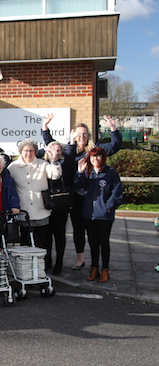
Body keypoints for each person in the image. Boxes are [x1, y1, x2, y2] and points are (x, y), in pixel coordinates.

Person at [42, 113, 122, 270]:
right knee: (71, 228)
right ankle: (80, 258)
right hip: (67, 196)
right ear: (73, 134)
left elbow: (115, 146)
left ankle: (82, 259)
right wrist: (45, 127)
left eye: (85, 134)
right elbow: (51, 145)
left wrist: (113, 129)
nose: (82, 136)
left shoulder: (94, 150)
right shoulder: (67, 149)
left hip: (87, 196)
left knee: (83, 229)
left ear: (89, 135)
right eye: (79, 134)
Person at [8, 138, 62, 269]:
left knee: (43, 243)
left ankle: (43, 267)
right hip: (24, 212)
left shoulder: (43, 164)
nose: (28, 153)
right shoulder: (13, 167)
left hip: (41, 211)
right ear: (21, 152)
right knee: (26, 244)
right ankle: (27, 269)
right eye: (25, 151)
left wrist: (54, 161)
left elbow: (55, 174)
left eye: (31, 151)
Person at [75, 147, 123, 283]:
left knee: (104, 242)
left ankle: (105, 269)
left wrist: (109, 207)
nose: (95, 159)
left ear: (103, 158)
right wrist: (79, 172)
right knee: (93, 242)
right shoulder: (87, 172)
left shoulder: (111, 173)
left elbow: (117, 192)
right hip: (89, 214)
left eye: (98, 156)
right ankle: (94, 267)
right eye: (93, 157)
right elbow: (78, 186)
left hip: (104, 216)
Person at [43, 136, 76, 274]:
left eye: (58, 150)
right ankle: (47, 260)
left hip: (61, 206)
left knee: (59, 236)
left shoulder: (65, 164)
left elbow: (71, 154)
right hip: (46, 205)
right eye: (52, 150)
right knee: (46, 236)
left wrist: (72, 142)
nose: (55, 152)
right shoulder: (42, 164)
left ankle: (59, 262)